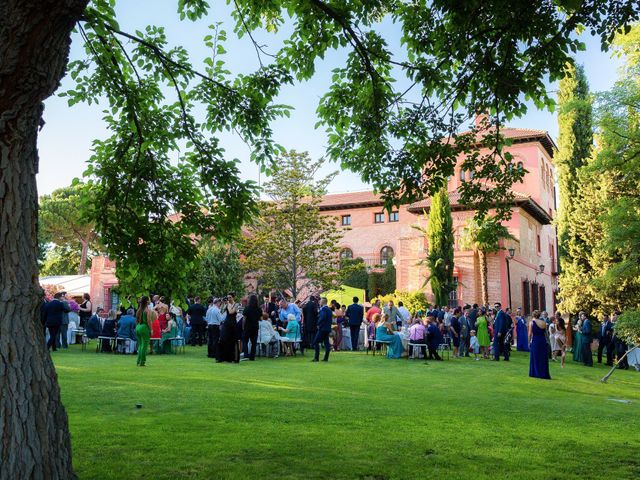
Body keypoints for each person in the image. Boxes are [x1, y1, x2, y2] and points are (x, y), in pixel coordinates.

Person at [528, 310, 551, 379]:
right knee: (543, 357)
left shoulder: (531, 322)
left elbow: (529, 334)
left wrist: (529, 342)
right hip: (542, 340)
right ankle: (543, 373)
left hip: (536, 340)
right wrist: (548, 341)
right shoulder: (543, 323)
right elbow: (546, 334)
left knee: (535, 356)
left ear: (533, 315)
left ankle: (535, 373)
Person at [312, 297, 333, 362]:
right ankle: (326, 358)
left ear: (323, 302)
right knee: (326, 343)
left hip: (322, 328)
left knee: (315, 342)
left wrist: (318, 323)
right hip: (327, 328)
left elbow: (323, 317)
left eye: (320, 301)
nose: (319, 302)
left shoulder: (323, 309)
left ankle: (316, 357)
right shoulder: (329, 310)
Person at [242, 294, 262, 361]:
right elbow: (261, 319)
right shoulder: (259, 309)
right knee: (254, 342)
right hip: (255, 327)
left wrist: (243, 326)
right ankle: (252, 357)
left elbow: (244, 319)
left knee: (245, 341)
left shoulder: (247, 308)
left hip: (247, 327)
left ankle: (246, 354)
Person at [135, 297, 153, 366]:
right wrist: (151, 329)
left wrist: (137, 327)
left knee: (140, 345)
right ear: (147, 301)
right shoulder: (147, 310)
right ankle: (142, 362)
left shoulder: (139, 310)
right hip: (144, 328)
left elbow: (136, 320)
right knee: (144, 346)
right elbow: (149, 321)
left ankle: (138, 361)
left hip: (138, 327)